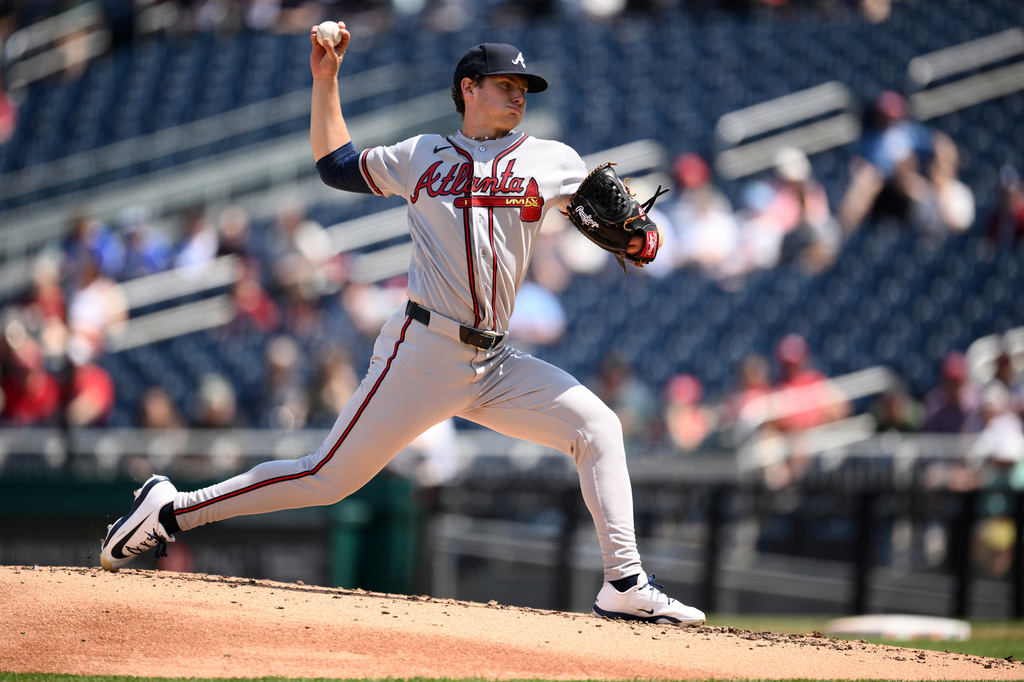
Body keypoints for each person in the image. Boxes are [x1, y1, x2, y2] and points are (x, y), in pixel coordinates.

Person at [99, 30, 704, 627]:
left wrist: (643, 239)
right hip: (421, 351)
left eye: (525, 87)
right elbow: (335, 165)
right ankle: (173, 510)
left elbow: (625, 231)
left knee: (598, 426)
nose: (520, 95)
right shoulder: (421, 155)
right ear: (468, 89)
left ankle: (624, 584)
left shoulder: (554, 161)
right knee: (324, 478)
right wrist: (326, 79)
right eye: (506, 84)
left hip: (495, 363)